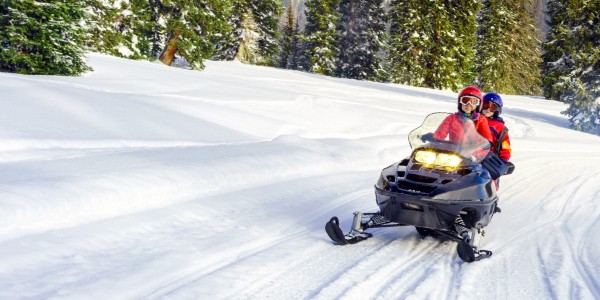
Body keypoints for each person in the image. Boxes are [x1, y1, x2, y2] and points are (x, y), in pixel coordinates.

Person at [482, 92, 511, 163]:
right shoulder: (473, 119)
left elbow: (505, 146)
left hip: (487, 160)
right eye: (486, 105)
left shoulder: (500, 126)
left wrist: (503, 160)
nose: (488, 109)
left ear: (497, 110)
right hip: (467, 155)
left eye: (492, 107)